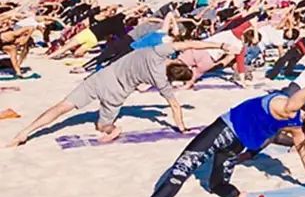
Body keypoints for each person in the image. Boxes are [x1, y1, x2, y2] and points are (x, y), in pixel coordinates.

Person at [114, 86, 305, 197]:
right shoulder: (295, 120)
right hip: (239, 143)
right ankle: (237, 196)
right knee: (216, 183)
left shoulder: (293, 112)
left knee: (182, 168)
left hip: (225, 130)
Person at [7, 39, 233, 147]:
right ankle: (112, 129)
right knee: (104, 127)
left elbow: (190, 43)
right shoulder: (161, 81)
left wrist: (220, 45)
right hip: (116, 93)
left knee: (62, 107)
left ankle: (25, 132)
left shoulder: (158, 52)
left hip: (100, 78)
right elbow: (174, 105)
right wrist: (182, 127)